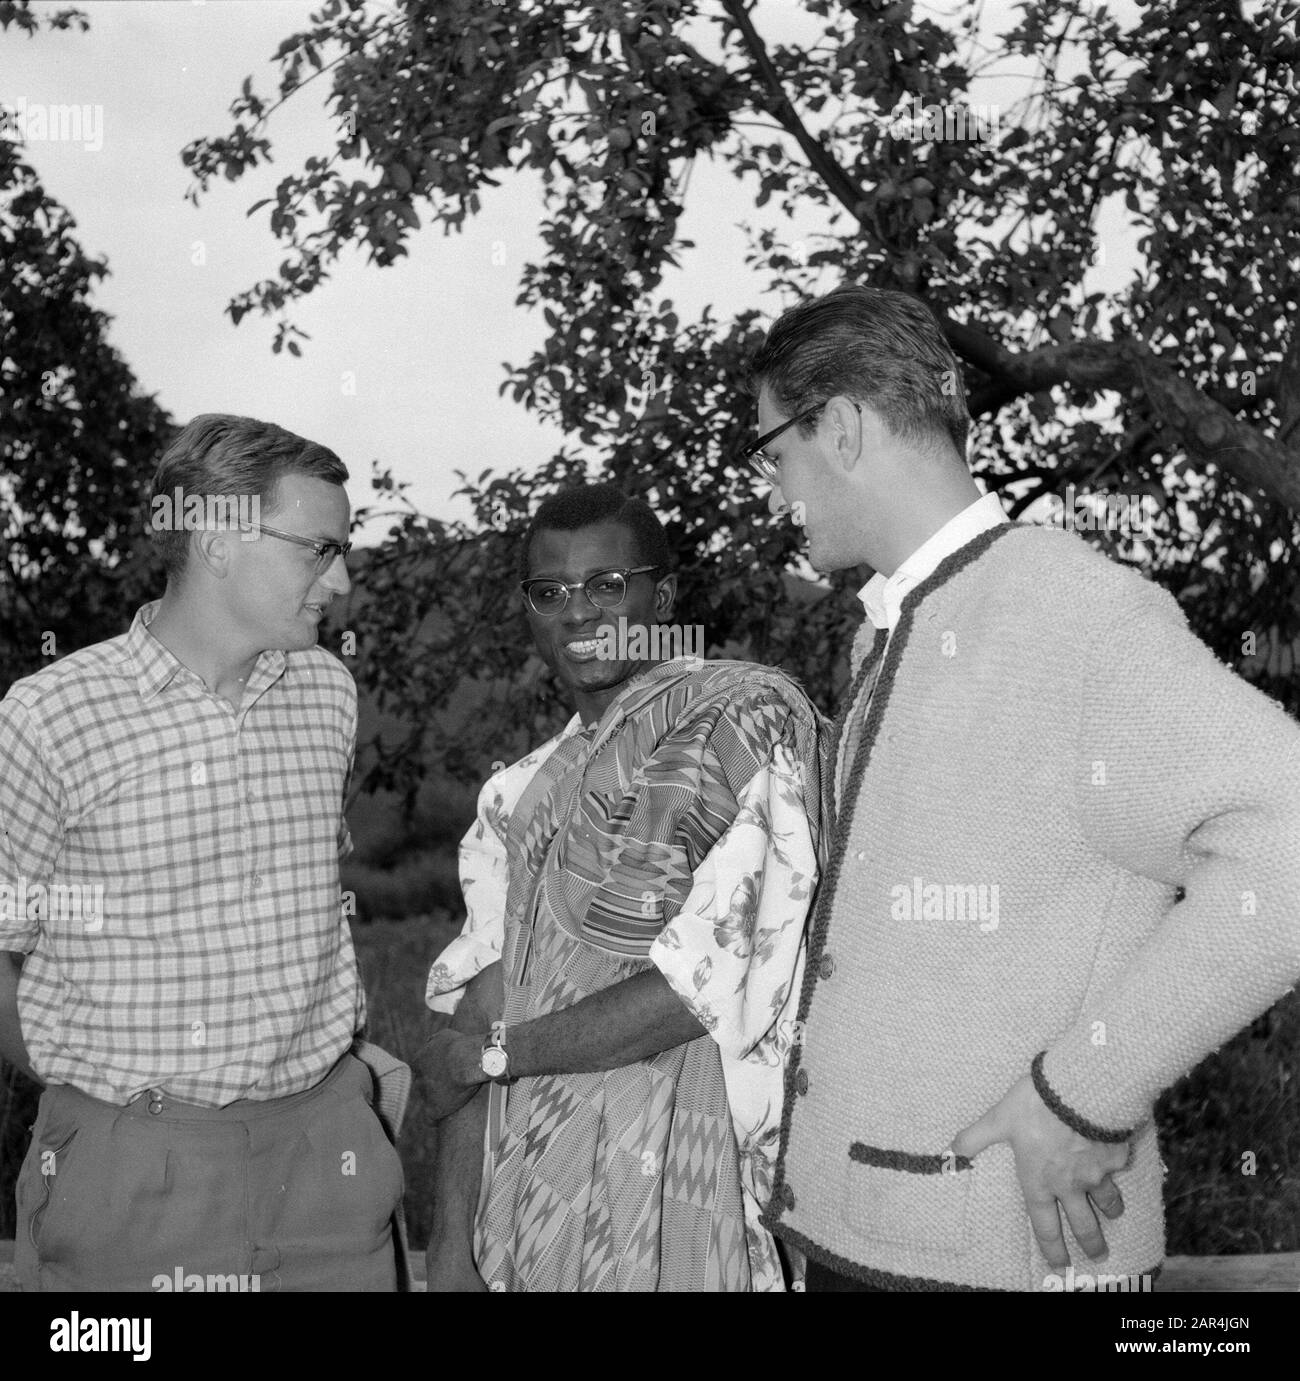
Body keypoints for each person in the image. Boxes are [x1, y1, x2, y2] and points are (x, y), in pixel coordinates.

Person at [746, 284, 1300, 1292]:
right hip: (878, 1243)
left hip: (1003, 1259)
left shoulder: (1073, 615)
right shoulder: (898, 624)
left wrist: (1081, 1095)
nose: (770, 487)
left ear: (841, 427)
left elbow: (1289, 848)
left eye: (772, 453)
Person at [0, 414, 407, 1292]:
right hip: (135, 1173)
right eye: (320, 548)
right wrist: (108, 1098)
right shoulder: (49, 717)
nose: (340, 579)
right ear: (219, 539)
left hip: (326, 1160)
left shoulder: (327, 695)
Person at [417, 483, 827, 1292]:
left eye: (608, 585)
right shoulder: (519, 794)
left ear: (661, 596)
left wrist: (501, 1056)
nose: (579, 612)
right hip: (530, 1214)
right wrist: (446, 1247)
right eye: (550, 592)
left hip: (701, 1197)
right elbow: (472, 1013)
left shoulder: (744, 731)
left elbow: (700, 986)